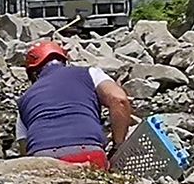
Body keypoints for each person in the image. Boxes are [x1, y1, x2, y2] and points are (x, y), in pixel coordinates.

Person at [15, 39, 133, 169]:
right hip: (87, 153)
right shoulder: (90, 73)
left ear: (33, 73)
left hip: (42, 159)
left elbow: (24, 149)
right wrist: (118, 146)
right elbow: (119, 100)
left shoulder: (23, 100)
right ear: (64, 60)